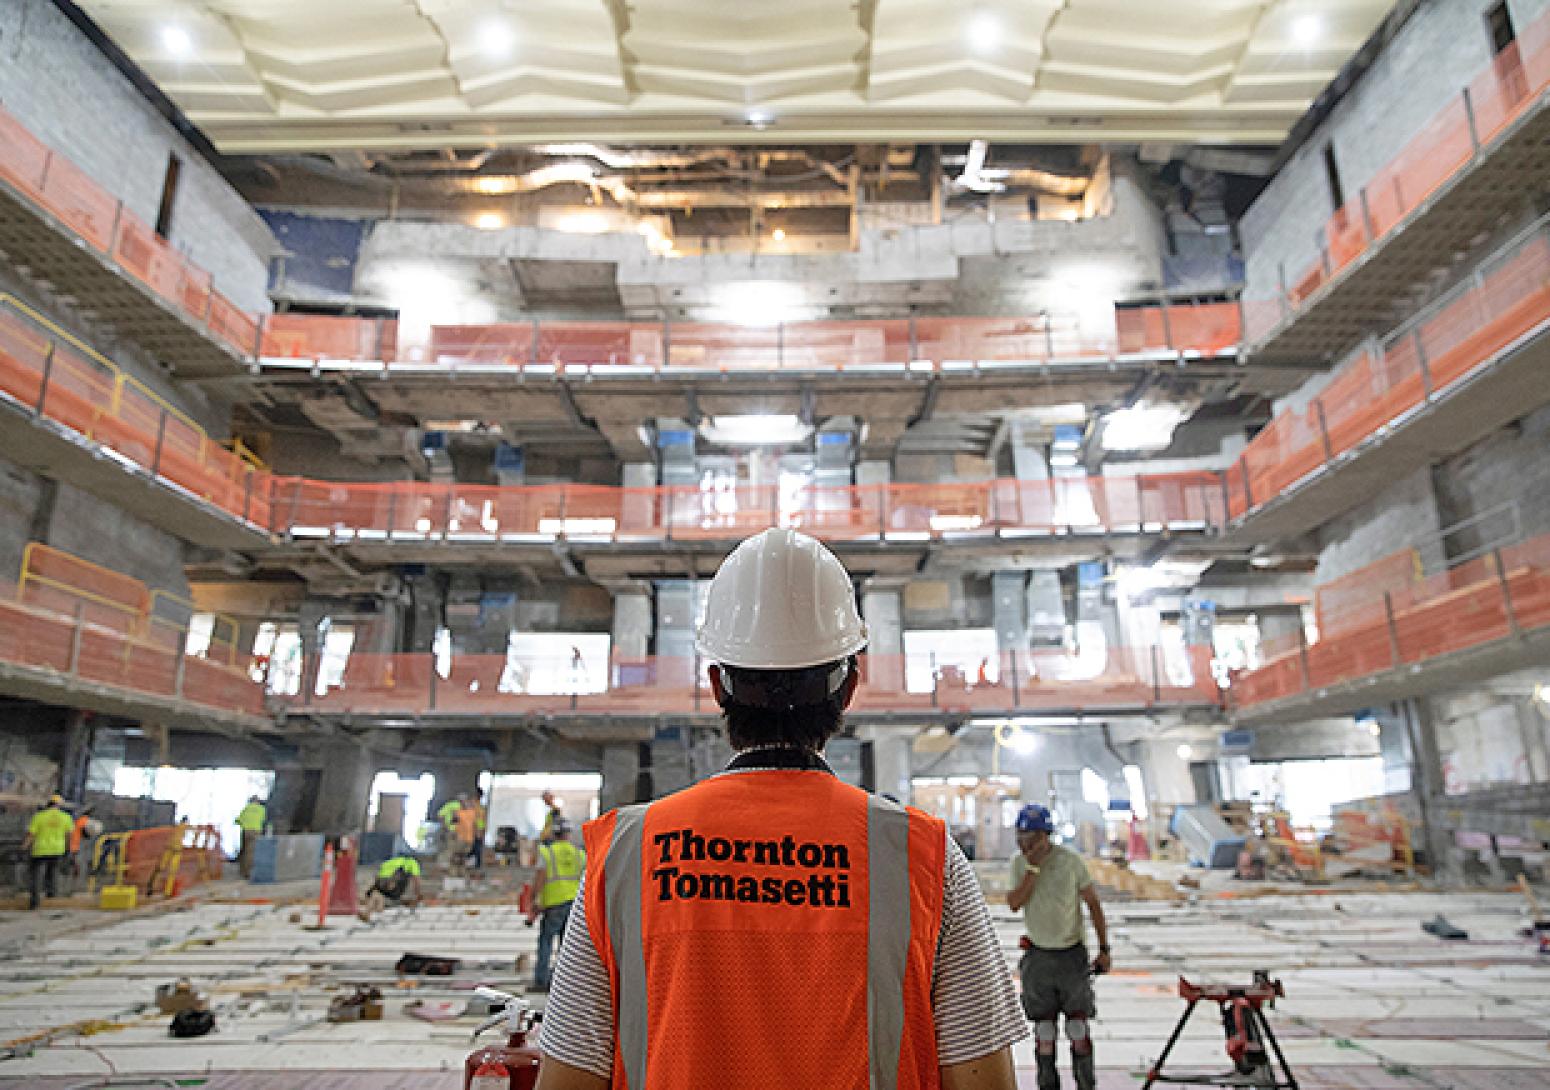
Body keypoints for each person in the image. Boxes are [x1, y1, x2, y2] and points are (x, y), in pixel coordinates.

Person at [536, 528, 1025, 1090]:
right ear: (848, 688)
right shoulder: (924, 860)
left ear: (717, 684)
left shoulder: (625, 856)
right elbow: (984, 1080)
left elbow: (568, 1078)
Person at [1007, 803, 1112, 1090]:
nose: (1024, 843)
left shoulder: (1070, 862)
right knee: (1044, 1032)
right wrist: (1033, 868)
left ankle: (1086, 1084)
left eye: (1031, 837)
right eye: (1021, 837)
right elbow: (1015, 903)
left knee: (1078, 1028)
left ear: (1046, 836)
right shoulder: (1019, 864)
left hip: (1071, 956)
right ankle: (1047, 1085)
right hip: (1039, 957)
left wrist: (1104, 948)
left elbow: (1092, 903)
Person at [526, 816, 584, 992]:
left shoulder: (547, 852)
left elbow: (540, 877)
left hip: (553, 903)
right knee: (567, 947)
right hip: (574, 904)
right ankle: (565, 984)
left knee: (545, 942)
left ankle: (542, 980)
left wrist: (534, 900)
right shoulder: (579, 854)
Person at [24, 795, 75, 910]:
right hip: (57, 849)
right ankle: (51, 897)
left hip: (40, 849)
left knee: (36, 875)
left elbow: (31, 834)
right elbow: (69, 836)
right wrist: (69, 849)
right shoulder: (66, 817)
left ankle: (34, 902)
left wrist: (24, 846)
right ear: (60, 805)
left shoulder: (39, 816)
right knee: (52, 872)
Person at [358, 854, 422, 921]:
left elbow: (380, 876)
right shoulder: (412, 862)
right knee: (379, 895)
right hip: (392, 883)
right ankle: (375, 909)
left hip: (384, 882)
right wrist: (418, 894)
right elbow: (416, 880)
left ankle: (369, 912)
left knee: (376, 895)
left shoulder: (395, 861)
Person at [236, 795, 266, 880]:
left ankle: (241, 870)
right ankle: (248, 873)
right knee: (251, 852)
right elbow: (264, 820)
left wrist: (244, 824)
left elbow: (238, 820)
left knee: (244, 849)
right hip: (256, 831)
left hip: (246, 831)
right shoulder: (262, 809)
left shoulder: (247, 808)